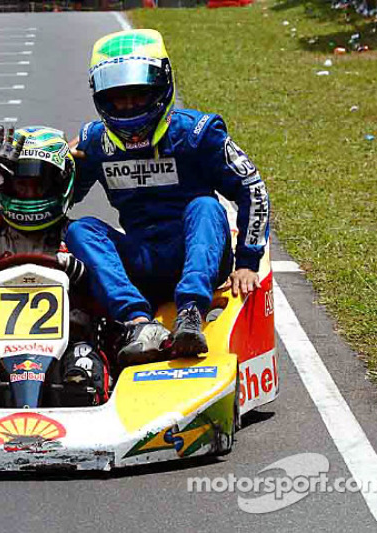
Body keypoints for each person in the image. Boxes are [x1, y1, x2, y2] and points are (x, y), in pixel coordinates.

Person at [65, 29, 270, 366]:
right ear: (101, 96)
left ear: (161, 86)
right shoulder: (94, 142)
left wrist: (247, 262)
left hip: (199, 257)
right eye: (119, 97)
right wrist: (55, 165)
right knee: (81, 229)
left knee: (205, 206)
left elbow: (252, 188)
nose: (129, 105)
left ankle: (191, 314)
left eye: (138, 94)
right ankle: (138, 323)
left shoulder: (199, 132)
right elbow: (61, 198)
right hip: (142, 260)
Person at [0, 126, 109, 406]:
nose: (29, 193)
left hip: (69, 343)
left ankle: (80, 389)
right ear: (4, 186)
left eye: (38, 185)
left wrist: (79, 271)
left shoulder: (79, 237)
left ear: (60, 185)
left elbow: (109, 289)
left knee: (83, 352)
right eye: (20, 185)